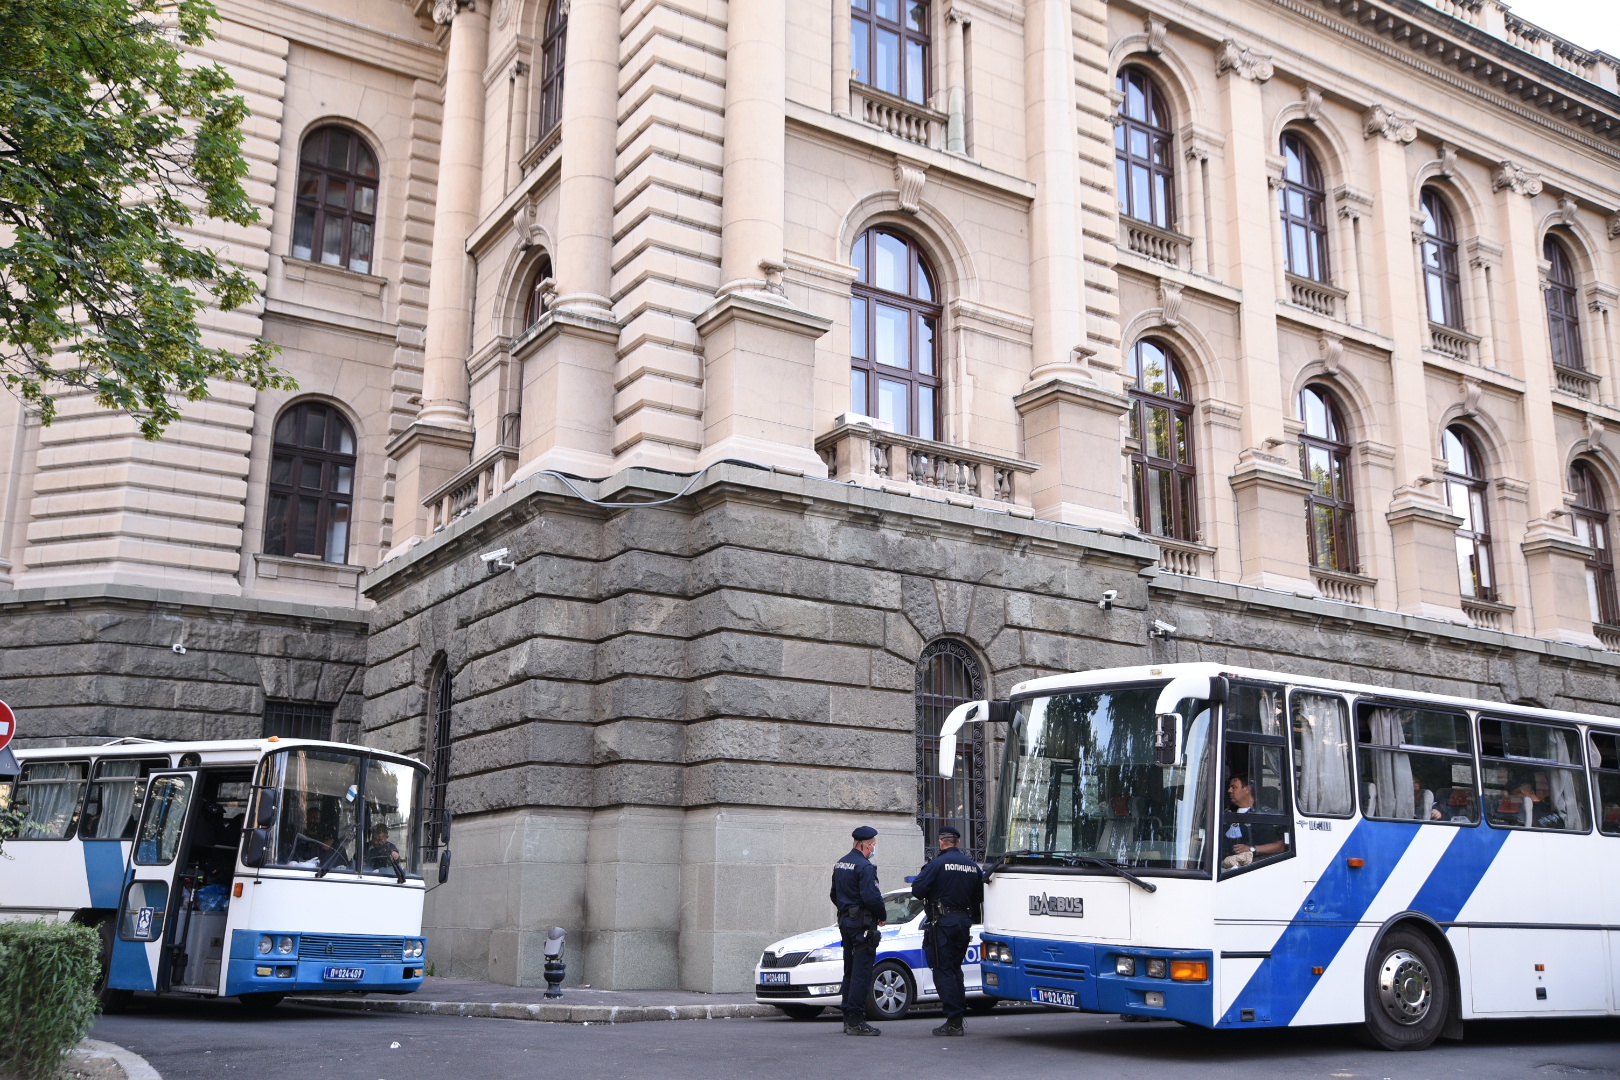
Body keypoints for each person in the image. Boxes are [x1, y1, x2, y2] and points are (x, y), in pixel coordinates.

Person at [910, 825, 983, 1037]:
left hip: (942, 923)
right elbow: (979, 897)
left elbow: (917, 890)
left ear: (941, 842)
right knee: (955, 969)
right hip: (962, 922)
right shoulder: (972, 866)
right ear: (958, 842)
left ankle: (954, 1020)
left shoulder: (937, 864)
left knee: (942, 970)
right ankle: (958, 1014)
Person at [830, 825, 886, 1036]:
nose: (873, 849)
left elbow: (834, 894)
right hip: (862, 925)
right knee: (861, 973)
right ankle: (856, 1021)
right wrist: (881, 915)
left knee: (850, 971)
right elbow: (872, 897)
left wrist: (847, 910)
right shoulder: (865, 867)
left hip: (846, 922)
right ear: (866, 845)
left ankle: (848, 1018)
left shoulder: (841, 863)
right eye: (873, 845)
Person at [1221, 774, 1287, 870]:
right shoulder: (1226, 813)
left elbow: (1280, 846)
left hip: (1255, 868)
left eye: (1234, 787)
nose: (1229, 790)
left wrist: (1252, 849)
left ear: (1247, 789)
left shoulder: (1264, 816)